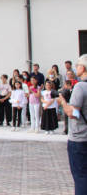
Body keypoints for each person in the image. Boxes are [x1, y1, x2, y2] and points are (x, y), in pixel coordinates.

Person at [60, 54, 87, 195]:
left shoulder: (80, 87)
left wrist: (63, 102)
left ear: (82, 68)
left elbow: (74, 114)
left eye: (77, 66)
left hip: (80, 138)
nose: (76, 68)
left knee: (81, 176)